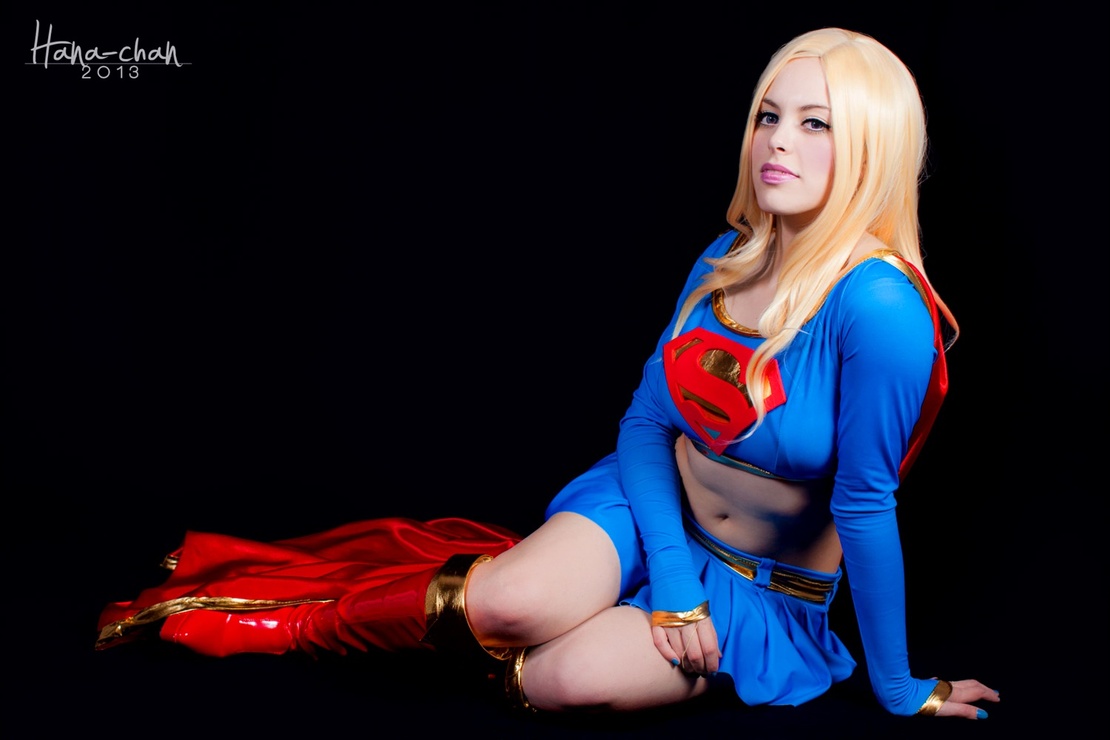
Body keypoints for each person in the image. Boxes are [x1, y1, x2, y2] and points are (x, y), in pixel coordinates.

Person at [95, 27, 1000, 721]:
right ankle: (287, 627)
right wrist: (671, 576)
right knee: (514, 601)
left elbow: (865, 505)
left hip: (763, 591)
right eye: (769, 115)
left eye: (815, 124)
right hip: (649, 513)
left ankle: (499, 618)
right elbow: (647, 425)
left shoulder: (880, 309)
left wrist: (899, 687)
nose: (778, 142)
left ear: (873, 147)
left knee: (563, 678)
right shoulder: (727, 260)